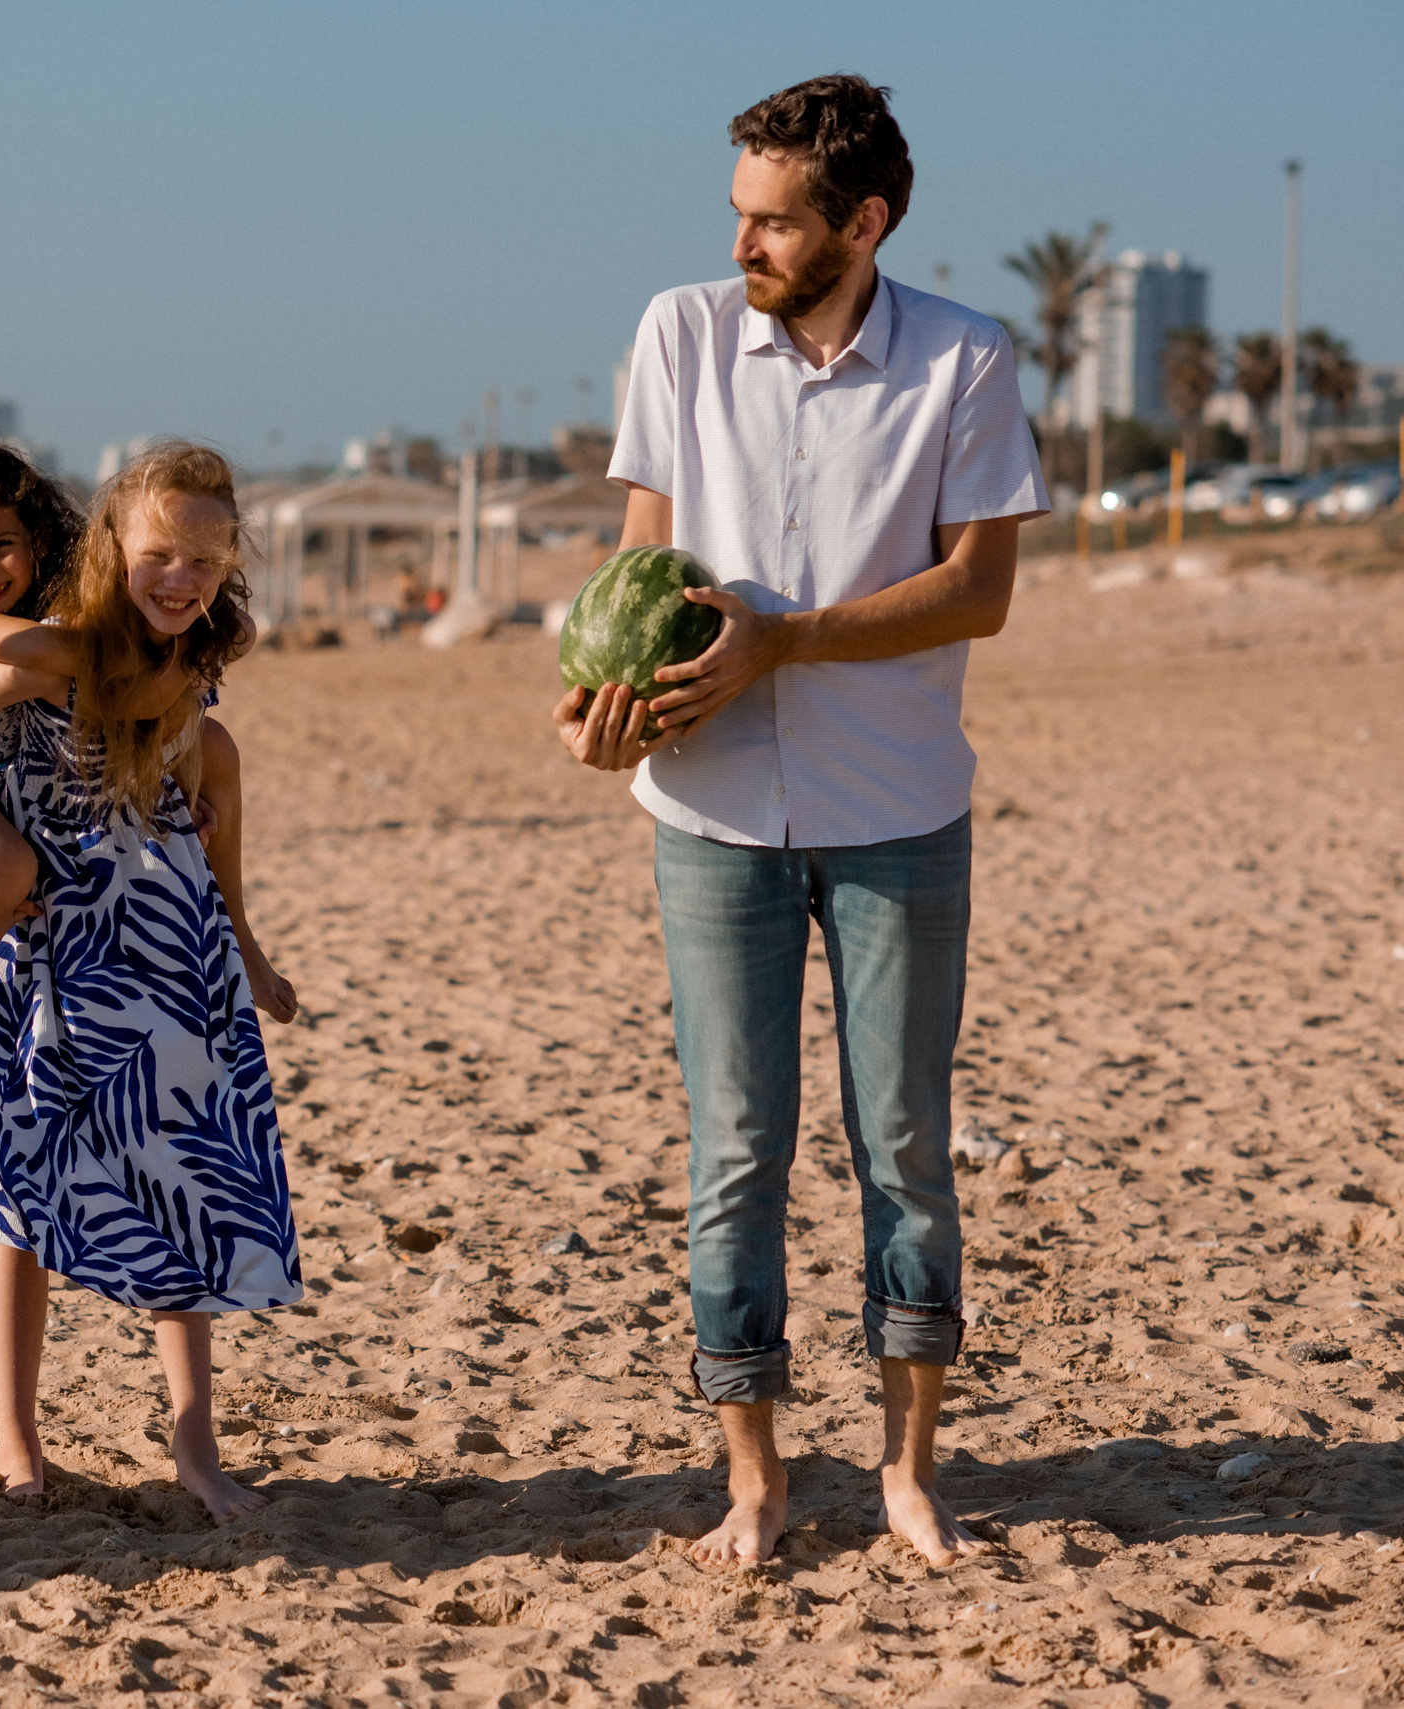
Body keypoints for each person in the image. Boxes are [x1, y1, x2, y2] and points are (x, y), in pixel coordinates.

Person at [554, 76, 1045, 1569]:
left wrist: (786, 638)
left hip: (901, 809)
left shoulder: (965, 358)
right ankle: (755, 1473)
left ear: (864, 222)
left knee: (902, 1143)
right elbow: (642, 568)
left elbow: (979, 590)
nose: (747, 243)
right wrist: (599, 705)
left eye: (776, 222)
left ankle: (906, 1471)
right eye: (740, 216)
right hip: (706, 813)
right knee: (733, 1151)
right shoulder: (680, 332)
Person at [0, 441, 299, 1525]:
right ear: (113, 548)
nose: (182, 576)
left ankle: (192, 1439)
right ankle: (16, 1436)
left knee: (184, 1179)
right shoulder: (54, 650)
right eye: (161, 553)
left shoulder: (200, 650)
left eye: (205, 557)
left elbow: (220, 766)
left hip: (159, 934)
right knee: (17, 1188)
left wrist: (244, 942)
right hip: (38, 933)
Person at [0, 443, 295, 1145]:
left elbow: (194, 668)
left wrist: (171, 774)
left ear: (39, 541)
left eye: (3, 546)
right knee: (8, 869)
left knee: (216, 746)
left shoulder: (88, 612)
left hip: (32, 786)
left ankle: (242, 935)